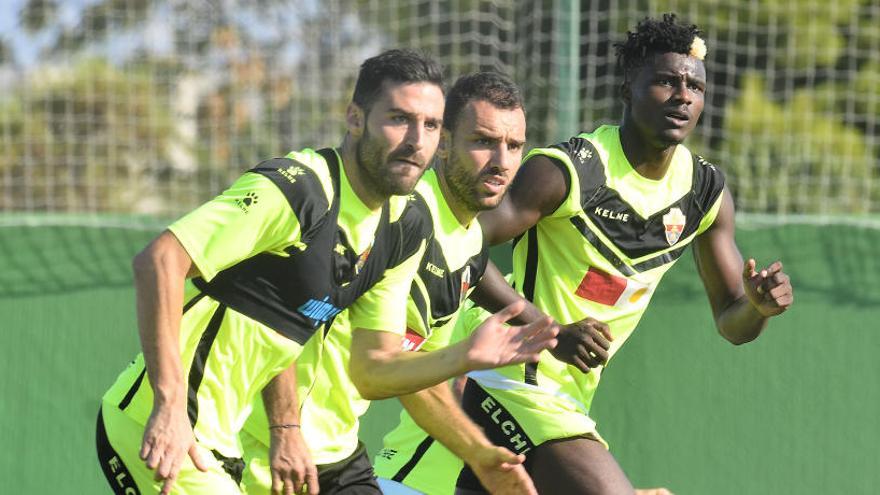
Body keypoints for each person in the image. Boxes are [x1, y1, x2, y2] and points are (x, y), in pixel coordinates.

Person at [95, 50, 554, 495]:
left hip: (233, 443)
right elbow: (159, 260)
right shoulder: (299, 190)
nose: (416, 140)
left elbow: (372, 371)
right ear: (355, 119)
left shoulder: (401, 227)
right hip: (161, 428)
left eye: (430, 124)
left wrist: (467, 361)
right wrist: (171, 405)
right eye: (398, 118)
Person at [373, 14, 794, 495]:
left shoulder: (704, 193)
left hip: (567, 395)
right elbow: (458, 242)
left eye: (694, 87)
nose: (682, 96)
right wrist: (546, 331)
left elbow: (732, 321)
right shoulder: (570, 171)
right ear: (627, 87)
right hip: (511, 378)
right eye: (664, 81)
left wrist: (758, 308)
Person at [240, 71, 567, 495]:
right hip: (266, 448)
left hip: (333, 452)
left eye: (514, 146)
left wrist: (480, 453)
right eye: (483, 141)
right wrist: (284, 428)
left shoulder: (469, 240)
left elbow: (419, 372)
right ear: (444, 144)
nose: (501, 162)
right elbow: (283, 315)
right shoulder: (402, 215)